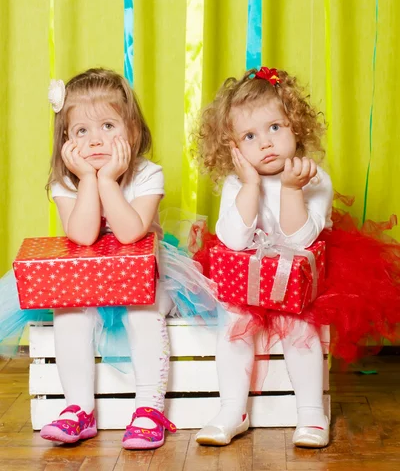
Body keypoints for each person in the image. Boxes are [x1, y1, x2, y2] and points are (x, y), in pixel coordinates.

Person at [0, 68, 216, 449]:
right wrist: (86, 179)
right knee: (69, 311)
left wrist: (107, 181)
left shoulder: (148, 174)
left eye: (108, 126)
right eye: (82, 131)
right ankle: (78, 410)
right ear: (66, 140)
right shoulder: (65, 182)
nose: (96, 140)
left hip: (152, 277)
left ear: (132, 131)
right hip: (90, 281)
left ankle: (149, 408)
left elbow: (131, 232)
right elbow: (82, 236)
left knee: (143, 310)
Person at [193, 66, 400, 448]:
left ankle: (310, 413)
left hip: (300, 282)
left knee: (301, 325)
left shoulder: (314, 177)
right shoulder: (238, 183)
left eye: (275, 127)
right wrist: (253, 185)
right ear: (234, 148)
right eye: (250, 136)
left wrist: (290, 189)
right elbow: (234, 241)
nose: (266, 143)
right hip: (251, 280)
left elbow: (299, 240)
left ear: (295, 127)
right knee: (233, 325)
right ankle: (231, 410)